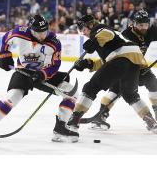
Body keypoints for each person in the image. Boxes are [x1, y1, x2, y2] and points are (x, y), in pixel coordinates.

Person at [0, 15, 78, 142]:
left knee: (71, 93)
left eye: (44, 31)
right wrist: (4, 55)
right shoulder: (20, 33)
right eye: (38, 32)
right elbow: (6, 38)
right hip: (23, 71)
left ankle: (60, 128)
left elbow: (54, 65)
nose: (42, 35)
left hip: (43, 73)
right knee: (14, 95)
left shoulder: (54, 42)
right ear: (31, 30)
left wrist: (43, 74)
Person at [64, 14, 157, 142]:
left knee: (91, 87)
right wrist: (88, 64)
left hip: (122, 59)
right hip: (135, 62)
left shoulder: (99, 29)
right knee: (130, 94)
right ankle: (150, 121)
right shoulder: (111, 37)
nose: (84, 33)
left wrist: (94, 41)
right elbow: (107, 60)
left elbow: (107, 34)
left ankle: (74, 121)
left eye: (83, 30)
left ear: (88, 26)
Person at [86, 9, 157, 129]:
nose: (144, 27)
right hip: (125, 67)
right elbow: (112, 56)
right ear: (133, 24)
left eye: (146, 24)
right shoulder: (126, 35)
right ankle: (101, 115)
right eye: (141, 25)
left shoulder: (150, 30)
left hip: (140, 67)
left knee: (154, 84)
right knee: (116, 89)